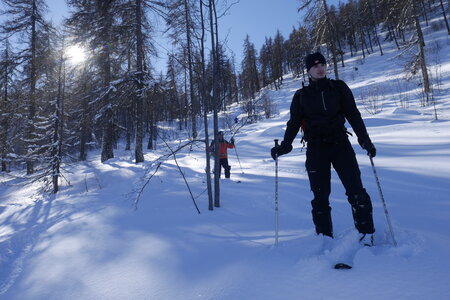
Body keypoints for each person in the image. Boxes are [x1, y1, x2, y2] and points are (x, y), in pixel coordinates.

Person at [271, 52, 377, 246]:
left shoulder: (338, 88)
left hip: (340, 145)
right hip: (316, 148)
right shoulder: (301, 95)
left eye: (323, 64)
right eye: (315, 65)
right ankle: (324, 239)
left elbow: (353, 115)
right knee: (320, 196)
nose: (320, 68)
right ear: (308, 70)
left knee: (356, 191)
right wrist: (285, 146)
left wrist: (365, 141)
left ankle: (366, 233)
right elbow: (294, 123)